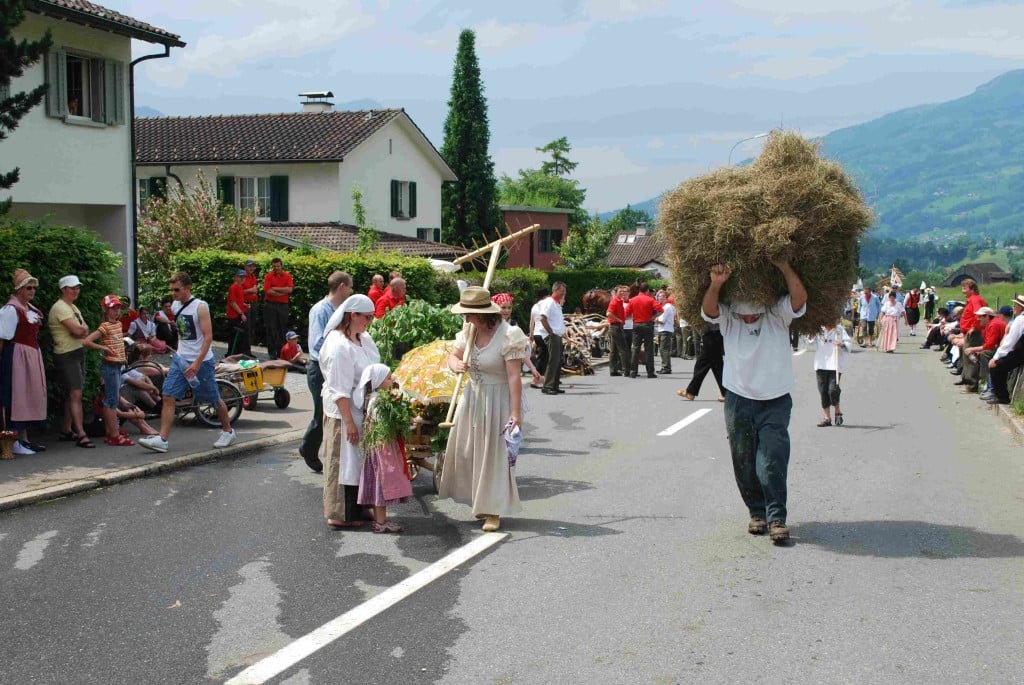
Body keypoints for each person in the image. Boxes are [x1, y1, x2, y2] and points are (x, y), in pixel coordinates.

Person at [701, 261, 807, 544]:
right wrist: (716, 283)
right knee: (743, 460)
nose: (748, 318)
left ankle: (777, 518)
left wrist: (784, 266)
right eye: (743, 314)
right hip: (738, 399)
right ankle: (757, 513)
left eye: (753, 314)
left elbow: (799, 299)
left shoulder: (777, 315)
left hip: (775, 399)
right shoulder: (729, 319)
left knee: (772, 459)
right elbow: (709, 310)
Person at [439, 286, 526, 532]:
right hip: (473, 397)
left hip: (498, 400)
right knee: (469, 452)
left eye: (468, 313)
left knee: (493, 457)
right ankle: (479, 501)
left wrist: (515, 413)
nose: (465, 318)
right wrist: (455, 364)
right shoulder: (469, 331)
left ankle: (492, 510)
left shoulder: (509, 335)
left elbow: (514, 378)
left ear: (482, 314)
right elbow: (453, 356)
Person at [138, 272, 237, 453]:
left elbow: (208, 337)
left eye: (177, 290)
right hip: (181, 360)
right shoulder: (175, 306)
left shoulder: (201, 307)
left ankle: (228, 431)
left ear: (188, 288)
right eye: (172, 290)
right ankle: (162, 439)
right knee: (168, 395)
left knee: (213, 398)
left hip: (202, 362)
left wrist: (197, 363)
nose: (173, 293)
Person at [320, 294, 380, 529]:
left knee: (358, 461)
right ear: (352, 315)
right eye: (367, 317)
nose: (370, 322)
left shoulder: (363, 339)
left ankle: (360, 507)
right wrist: (349, 423)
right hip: (343, 412)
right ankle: (340, 514)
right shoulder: (339, 346)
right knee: (343, 462)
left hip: (360, 408)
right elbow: (339, 390)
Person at [300, 270, 353, 473]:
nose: (351, 291)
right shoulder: (320, 310)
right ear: (341, 287)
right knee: (322, 413)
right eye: (350, 287)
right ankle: (308, 449)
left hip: (332, 367)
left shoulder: (339, 309)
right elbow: (317, 344)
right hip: (319, 369)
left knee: (331, 412)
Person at [356, 363, 412, 534]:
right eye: (388, 378)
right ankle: (381, 522)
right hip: (382, 449)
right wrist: (404, 420)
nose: (391, 380)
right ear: (378, 380)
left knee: (379, 482)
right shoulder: (377, 401)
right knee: (382, 483)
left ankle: (380, 519)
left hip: (379, 446)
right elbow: (385, 423)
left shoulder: (377, 398)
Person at [0, 269, 47, 455]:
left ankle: (25, 440)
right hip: (17, 357)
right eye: (29, 288)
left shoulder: (30, 309)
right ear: (19, 289)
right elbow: (2, 338)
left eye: (34, 288)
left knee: (29, 396)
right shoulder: (11, 310)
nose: (32, 291)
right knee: (17, 396)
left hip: (31, 357)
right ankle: (13, 441)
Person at [82, 295, 134, 446]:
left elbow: (118, 343)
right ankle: (114, 434)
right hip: (110, 365)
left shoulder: (117, 324)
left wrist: (123, 357)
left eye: (118, 308)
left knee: (113, 399)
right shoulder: (104, 326)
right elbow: (87, 341)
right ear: (105, 309)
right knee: (111, 401)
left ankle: (111, 432)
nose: (117, 311)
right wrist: (103, 348)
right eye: (113, 308)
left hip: (117, 365)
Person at [48, 274, 92, 447]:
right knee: (76, 394)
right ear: (63, 289)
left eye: (77, 287)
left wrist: (80, 330)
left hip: (76, 351)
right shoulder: (60, 308)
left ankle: (66, 429)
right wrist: (80, 330)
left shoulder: (72, 307)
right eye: (73, 288)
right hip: (66, 353)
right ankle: (81, 433)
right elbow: (79, 330)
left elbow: (84, 329)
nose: (76, 291)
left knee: (72, 393)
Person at [493, 292, 543, 387]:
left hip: (510, 368)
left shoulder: (513, 325)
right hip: (494, 369)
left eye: (509, 308)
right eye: (503, 307)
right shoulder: (490, 326)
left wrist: (532, 368)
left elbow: (520, 349)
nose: (507, 310)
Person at [810, 323, 852, 427]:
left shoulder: (839, 329)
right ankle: (827, 418)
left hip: (835, 365)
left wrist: (842, 344)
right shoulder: (818, 329)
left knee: (833, 390)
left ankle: (837, 410)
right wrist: (812, 333)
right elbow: (809, 341)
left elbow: (848, 343)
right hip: (821, 364)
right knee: (823, 391)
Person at [986, 295, 1024, 405]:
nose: (1014, 307)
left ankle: (1002, 397)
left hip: (1020, 352)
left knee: (996, 367)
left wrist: (996, 357)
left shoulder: (1020, 320)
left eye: (1015, 305)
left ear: (1020, 307)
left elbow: (1010, 341)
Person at [958, 306, 1005, 394]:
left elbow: (991, 345)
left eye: (980, 316)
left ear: (987, 316)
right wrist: (977, 350)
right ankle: (977, 383)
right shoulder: (990, 324)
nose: (978, 319)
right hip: (998, 349)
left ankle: (985, 385)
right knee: (978, 353)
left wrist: (973, 349)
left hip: (1002, 351)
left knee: (984, 354)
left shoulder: (994, 324)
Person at [677, 320, 726, 402]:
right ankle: (726, 393)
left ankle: (691, 392)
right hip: (714, 332)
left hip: (713, 333)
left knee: (702, 364)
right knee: (716, 365)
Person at [627, 282, 661, 378]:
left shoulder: (632, 300)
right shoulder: (650, 299)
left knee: (635, 348)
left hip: (636, 324)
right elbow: (660, 310)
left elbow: (627, 313)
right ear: (647, 290)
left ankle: (633, 371)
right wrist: (653, 317)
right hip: (647, 324)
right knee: (649, 349)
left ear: (639, 290)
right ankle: (650, 372)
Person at [539, 282, 567, 394]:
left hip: (557, 335)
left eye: (564, 291)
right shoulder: (549, 302)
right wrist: (551, 332)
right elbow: (543, 318)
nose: (564, 293)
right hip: (552, 335)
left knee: (558, 361)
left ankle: (554, 385)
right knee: (553, 360)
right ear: (555, 290)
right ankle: (547, 386)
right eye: (562, 291)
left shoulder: (556, 304)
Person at [263, 258, 293, 359]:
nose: (276, 268)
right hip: (270, 305)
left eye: (278, 266)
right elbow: (267, 290)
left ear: (281, 266)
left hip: (283, 306)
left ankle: (281, 352)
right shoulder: (268, 276)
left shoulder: (287, 276)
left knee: (282, 328)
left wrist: (275, 288)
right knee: (271, 329)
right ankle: (272, 353)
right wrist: (281, 293)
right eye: (274, 266)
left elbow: (289, 289)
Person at [225, 269, 250, 357]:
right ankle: (230, 356)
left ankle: (236, 356)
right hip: (234, 316)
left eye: (244, 277)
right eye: (240, 277)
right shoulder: (234, 287)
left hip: (237, 315)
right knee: (234, 338)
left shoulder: (240, 287)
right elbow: (232, 302)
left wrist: (244, 305)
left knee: (239, 338)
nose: (242, 279)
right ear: (235, 277)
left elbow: (238, 301)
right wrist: (241, 314)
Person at [605, 285, 628, 377]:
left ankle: (613, 370)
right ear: (616, 292)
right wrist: (619, 320)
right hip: (616, 327)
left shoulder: (619, 301)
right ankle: (626, 370)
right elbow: (608, 313)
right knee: (623, 349)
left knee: (613, 350)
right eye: (620, 291)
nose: (622, 293)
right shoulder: (614, 302)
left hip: (615, 327)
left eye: (623, 291)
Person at [529, 287, 550, 376]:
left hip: (536, 334)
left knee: (542, 354)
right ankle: (538, 374)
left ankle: (540, 374)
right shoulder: (546, 306)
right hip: (545, 333)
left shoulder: (534, 306)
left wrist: (531, 334)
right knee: (545, 355)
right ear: (545, 296)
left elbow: (531, 322)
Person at [241, 259, 260, 356]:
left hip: (253, 304)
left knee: (251, 327)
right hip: (245, 304)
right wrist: (250, 290)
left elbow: (255, 290)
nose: (251, 268)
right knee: (246, 327)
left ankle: (248, 350)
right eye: (249, 266)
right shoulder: (242, 277)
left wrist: (253, 291)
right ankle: (243, 351)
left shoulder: (253, 277)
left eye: (253, 266)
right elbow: (238, 292)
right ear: (245, 267)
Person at [656, 290, 676, 374]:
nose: (659, 298)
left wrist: (655, 319)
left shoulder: (666, 307)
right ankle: (665, 366)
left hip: (665, 329)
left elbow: (661, 320)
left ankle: (666, 367)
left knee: (663, 349)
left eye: (661, 296)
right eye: (658, 296)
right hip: (665, 329)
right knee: (664, 349)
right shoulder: (669, 306)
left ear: (665, 297)